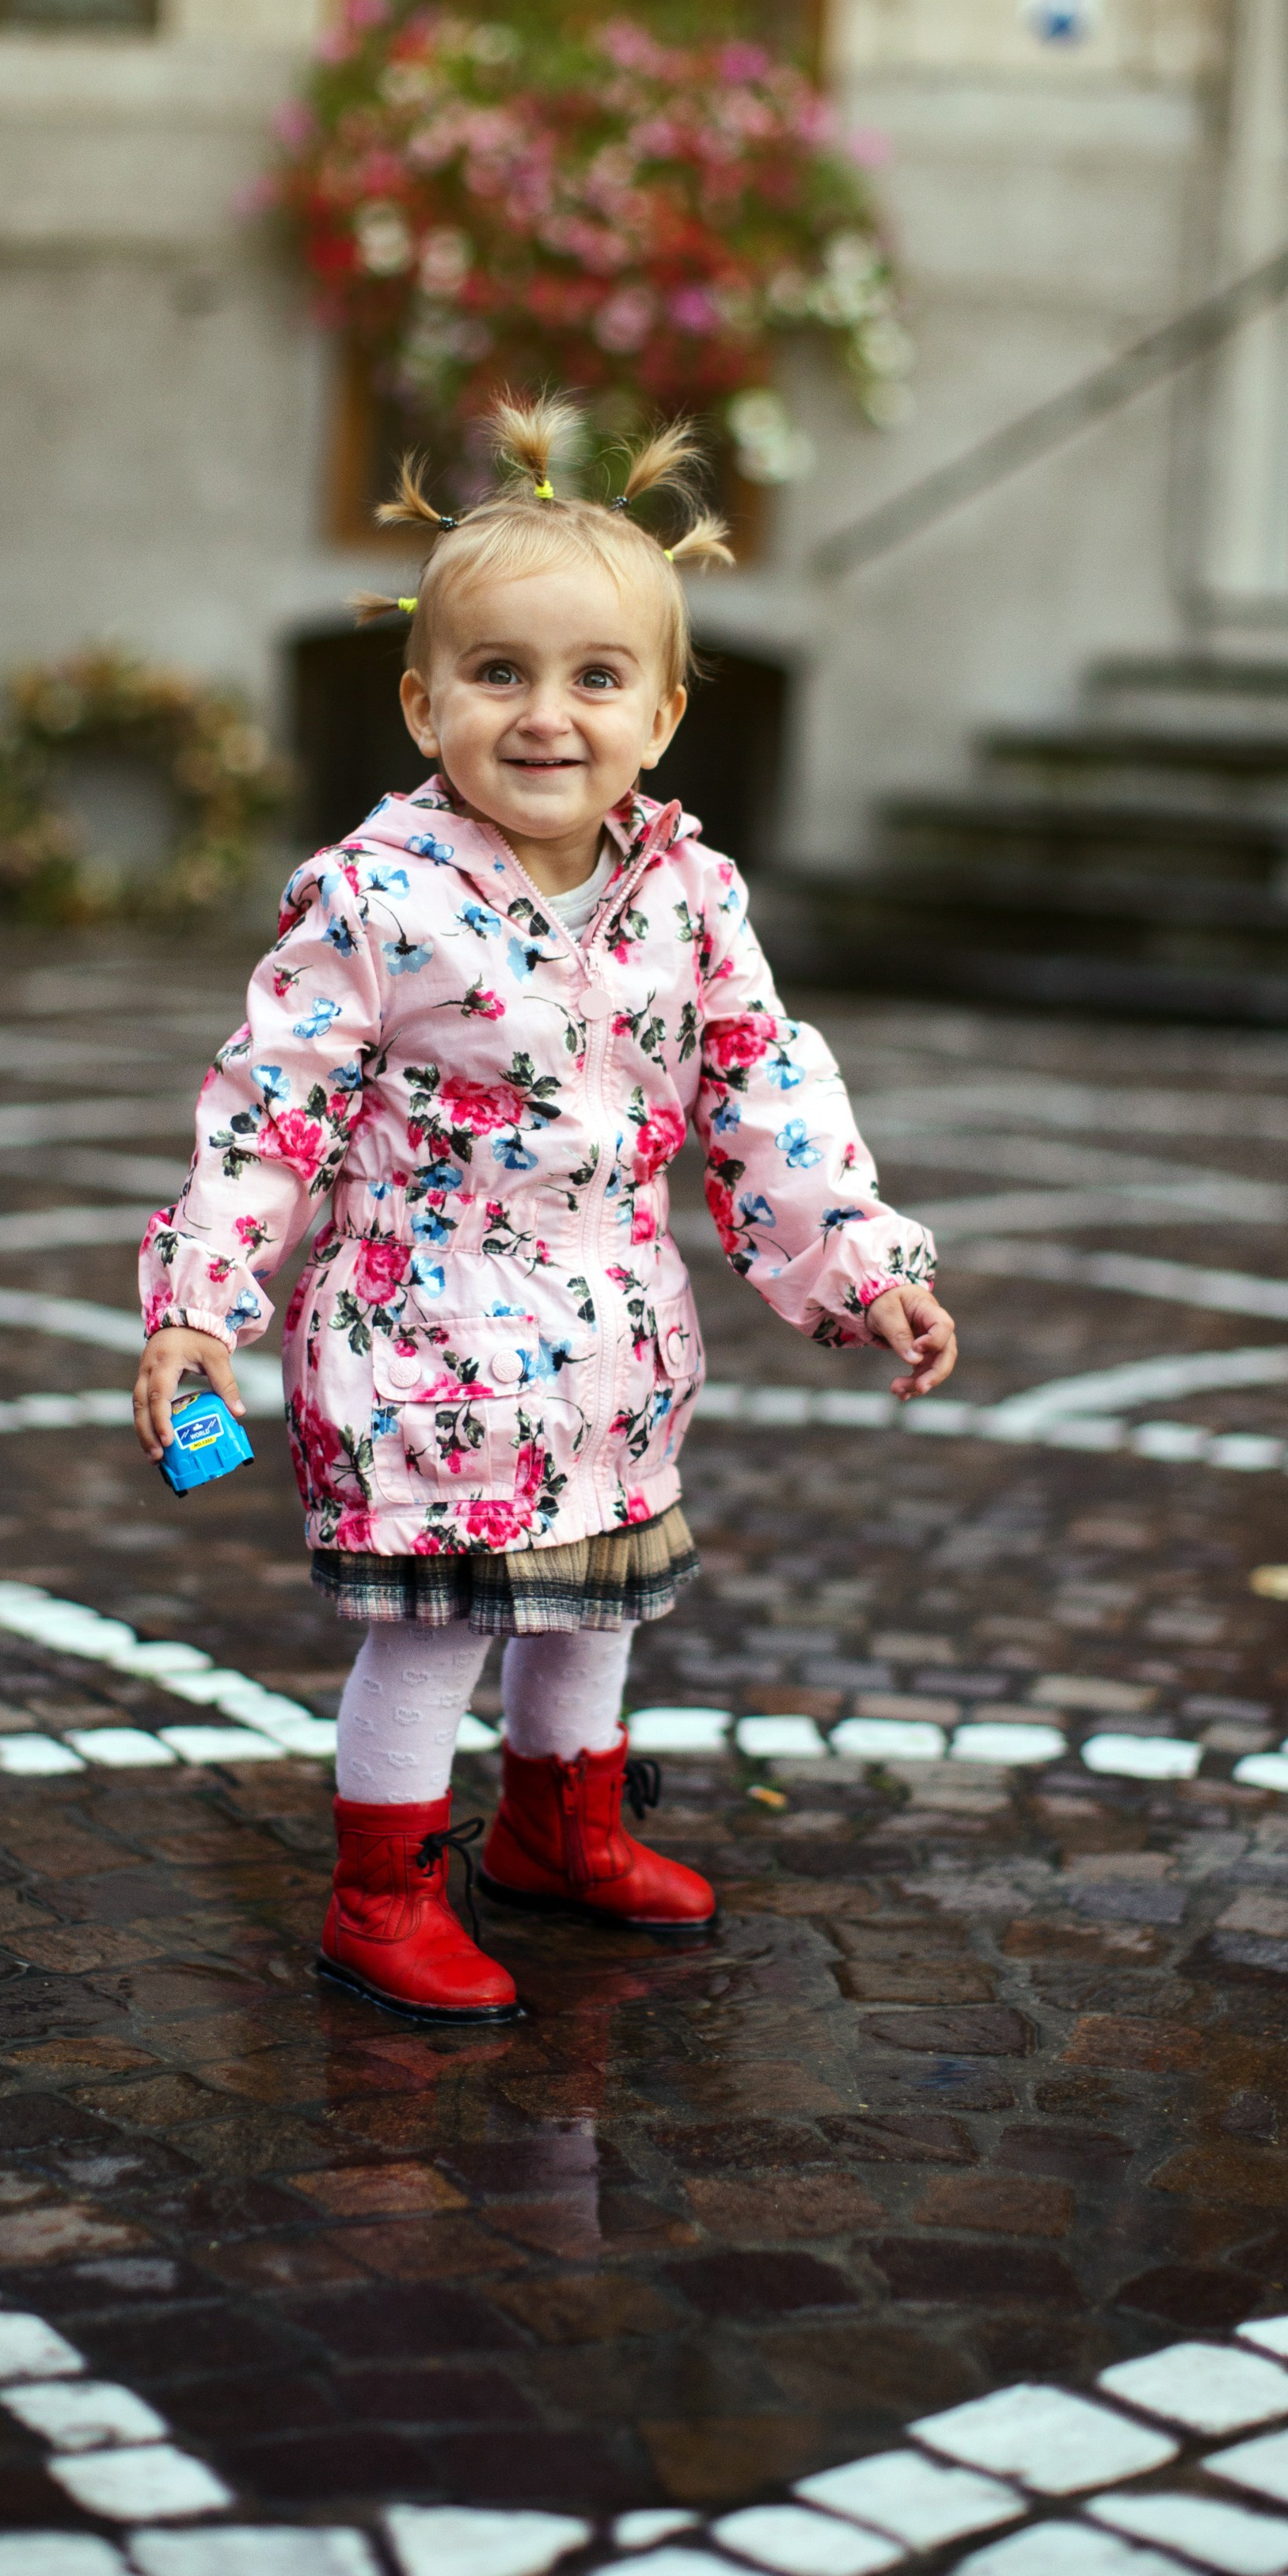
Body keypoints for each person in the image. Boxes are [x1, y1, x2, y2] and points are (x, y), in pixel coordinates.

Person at [131, 395, 956, 2024]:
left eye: (593, 680)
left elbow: (760, 1085)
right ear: (420, 697)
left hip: (611, 1331)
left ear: (659, 715)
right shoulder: (373, 897)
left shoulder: (688, 892)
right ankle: (381, 1892)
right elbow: (267, 1110)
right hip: (422, 1333)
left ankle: (553, 1831)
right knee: (438, 1630)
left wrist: (858, 1261)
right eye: (497, 673)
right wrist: (195, 1308)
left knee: (595, 1603)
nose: (544, 715)